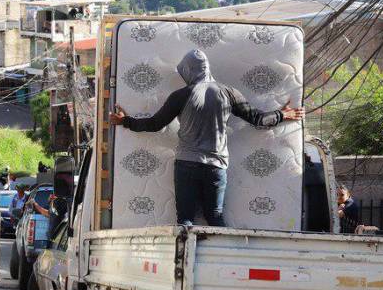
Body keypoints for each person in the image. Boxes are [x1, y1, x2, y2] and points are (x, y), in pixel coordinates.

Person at [109, 49, 304, 227]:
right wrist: (282, 115)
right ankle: (222, 260)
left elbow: (155, 124)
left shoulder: (181, 95)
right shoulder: (228, 93)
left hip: (186, 164)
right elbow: (258, 119)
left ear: (188, 70)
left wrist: (125, 121)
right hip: (215, 166)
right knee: (215, 216)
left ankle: (182, 262)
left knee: (185, 219)